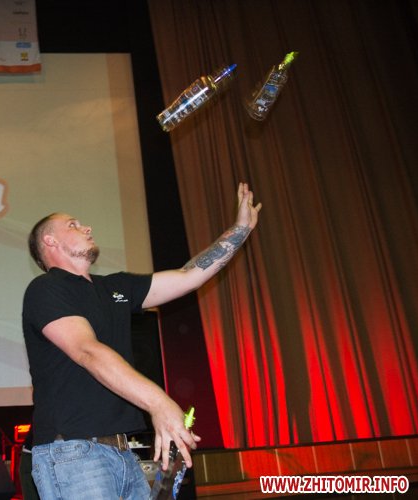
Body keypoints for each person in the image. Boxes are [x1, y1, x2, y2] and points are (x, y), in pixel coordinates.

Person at [22, 182, 262, 499]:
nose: (86, 227)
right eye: (73, 224)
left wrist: (240, 229)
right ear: (49, 240)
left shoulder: (115, 288)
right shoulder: (46, 289)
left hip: (122, 454)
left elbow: (189, 276)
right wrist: (159, 403)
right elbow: (86, 350)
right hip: (74, 454)